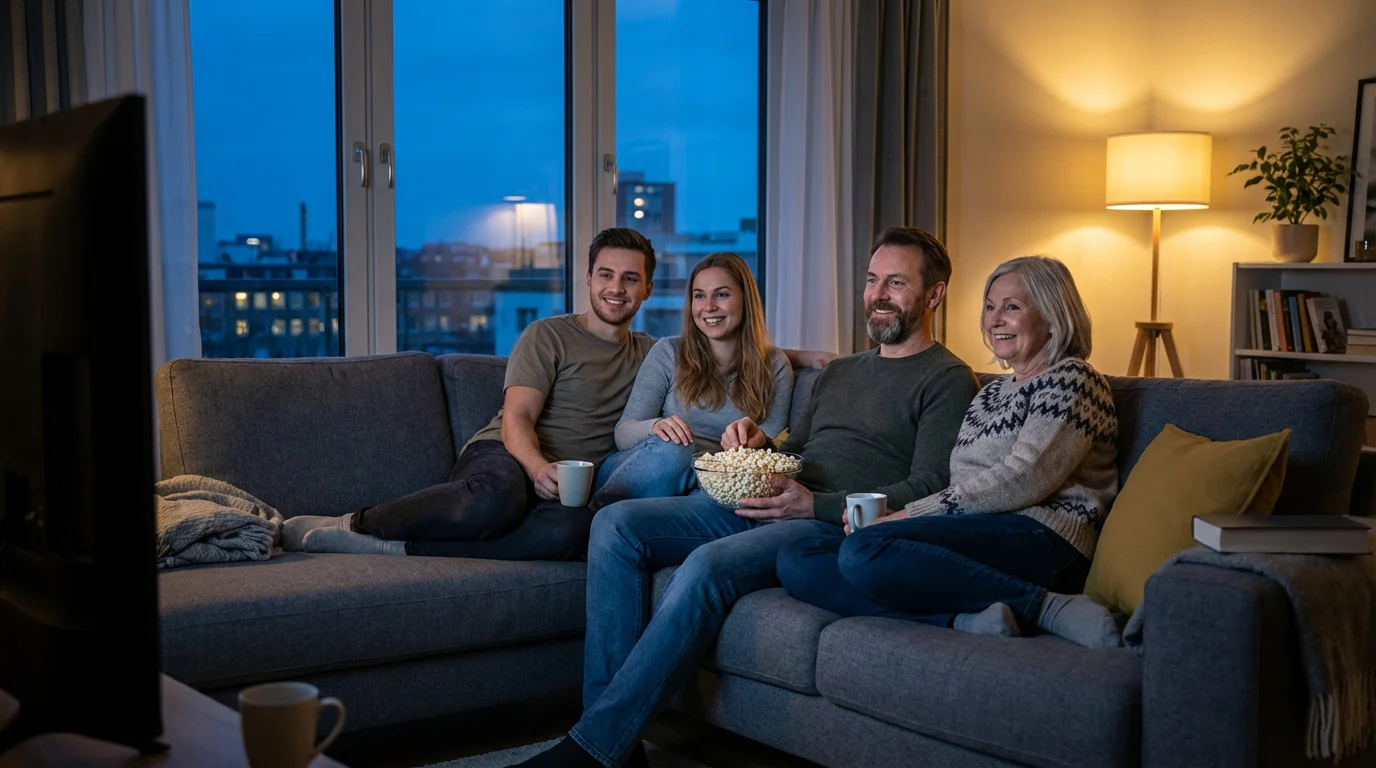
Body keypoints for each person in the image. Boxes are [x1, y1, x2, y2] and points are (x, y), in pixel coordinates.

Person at [516, 227, 981, 768]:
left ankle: (592, 751)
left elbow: (929, 488)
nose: (877, 294)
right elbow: (797, 448)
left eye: (895, 283)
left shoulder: (948, 379)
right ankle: (615, 743)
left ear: (934, 294)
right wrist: (762, 447)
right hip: (766, 496)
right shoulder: (841, 371)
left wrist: (813, 504)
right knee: (616, 526)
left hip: (822, 523)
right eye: (872, 280)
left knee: (706, 566)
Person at [776, 255, 1122, 649]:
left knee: (865, 549)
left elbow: (1025, 477)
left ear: (1053, 315)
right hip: (979, 531)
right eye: (989, 307)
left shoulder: (1073, 378)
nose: (994, 320)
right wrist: (907, 524)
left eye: (1012, 307)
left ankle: (1045, 607)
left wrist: (908, 515)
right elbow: (962, 484)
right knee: (799, 556)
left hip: (1047, 540)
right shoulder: (991, 393)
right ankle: (958, 620)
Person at [281, 227, 660, 560]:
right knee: (496, 499)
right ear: (589, 280)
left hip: (567, 486)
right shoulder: (549, 335)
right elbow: (517, 418)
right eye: (606, 274)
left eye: (630, 278)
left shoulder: (651, 355)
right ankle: (357, 523)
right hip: (504, 454)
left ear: (647, 289)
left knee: (576, 531)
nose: (616, 288)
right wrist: (538, 468)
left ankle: (399, 548)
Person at [590, 251, 793, 509]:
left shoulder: (775, 366)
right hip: (644, 469)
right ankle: (593, 514)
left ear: (746, 300)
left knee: (719, 493)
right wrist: (655, 427)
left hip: (713, 485)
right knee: (677, 451)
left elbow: (770, 455)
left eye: (721, 294)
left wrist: (758, 441)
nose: (708, 306)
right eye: (699, 296)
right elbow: (623, 433)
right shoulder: (669, 352)